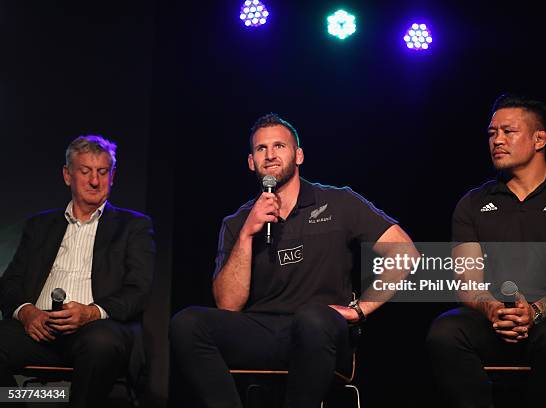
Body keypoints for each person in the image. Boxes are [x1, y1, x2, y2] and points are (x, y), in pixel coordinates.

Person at [170, 113, 418, 408]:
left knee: (311, 318)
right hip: (261, 332)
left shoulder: (339, 203)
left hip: (321, 330)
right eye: (261, 149)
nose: (270, 155)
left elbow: (405, 251)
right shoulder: (237, 222)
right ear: (251, 162)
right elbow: (228, 305)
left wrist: (360, 310)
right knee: (187, 324)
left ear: (298, 155)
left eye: (279, 146)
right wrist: (248, 234)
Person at [426, 94, 546, 407]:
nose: (497, 140)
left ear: (540, 139)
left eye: (508, 132)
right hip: (494, 323)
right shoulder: (472, 203)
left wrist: (537, 310)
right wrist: (493, 309)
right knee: (444, 333)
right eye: (491, 133)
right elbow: (467, 283)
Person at [0, 135, 156, 408]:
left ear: (113, 176)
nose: (94, 181)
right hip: (39, 329)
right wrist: (27, 312)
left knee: (101, 343)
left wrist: (90, 312)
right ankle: (27, 403)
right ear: (67, 175)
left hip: (96, 329)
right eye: (85, 172)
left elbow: (138, 290)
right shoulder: (40, 225)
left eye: (102, 172)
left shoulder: (134, 227)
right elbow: (10, 282)